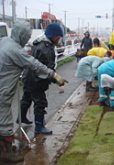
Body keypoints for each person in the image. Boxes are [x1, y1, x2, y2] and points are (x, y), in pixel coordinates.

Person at [0, 21, 67, 163]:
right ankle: (5, 154)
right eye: (27, 35)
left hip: (17, 83)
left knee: (18, 106)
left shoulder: (5, 41)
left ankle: (4, 147)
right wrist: (55, 76)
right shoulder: (15, 50)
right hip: (3, 92)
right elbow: (35, 64)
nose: (28, 39)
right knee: (5, 122)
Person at [19, 23, 65, 135]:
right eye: (57, 35)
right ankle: (39, 126)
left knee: (26, 98)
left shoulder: (38, 42)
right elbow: (46, 69)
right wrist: (56, 79)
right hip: (37, 80)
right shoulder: (46, 49)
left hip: (27, 77)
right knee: (40, 102)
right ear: (51, 35)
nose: (59, 37)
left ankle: (20, 118)